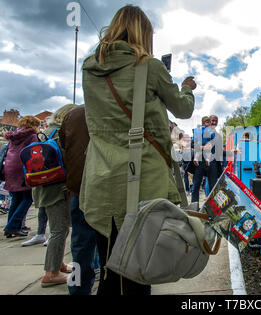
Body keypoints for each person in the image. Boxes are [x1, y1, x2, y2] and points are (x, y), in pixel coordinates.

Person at [80, 5, 196, 295]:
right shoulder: (149, 66)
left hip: (100, 181)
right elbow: (183, 109)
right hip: (141, 181)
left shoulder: (89, 69)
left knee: (109, 270)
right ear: (144, 33)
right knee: (139, 272)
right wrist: (187, 87)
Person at [33, 104, 77, 287]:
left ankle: (57, 264)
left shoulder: (47, 132)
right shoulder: (62, 133)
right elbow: (69, 159)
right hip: (57, 188)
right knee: (60, 229)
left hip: (43, 186)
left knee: (58, 228)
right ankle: (51, 273)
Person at [59, 105, 100, 295]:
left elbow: (63, 145)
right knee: (112, 246)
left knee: (79, 247)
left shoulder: (72, 115)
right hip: (104, 189)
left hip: (79, 189)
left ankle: (76, 290)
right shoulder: (116, 108)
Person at [3, 116, 40, 238]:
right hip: (22, 169)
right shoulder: (31, 136)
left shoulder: (14, 135)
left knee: (16, 198)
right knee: (27, 198)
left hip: (9, 167)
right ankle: (12, 226)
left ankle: (12, 226)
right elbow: (34, 153)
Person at [191, 116, 218, 203]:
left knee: (213, 186)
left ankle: (212, 208)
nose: (213, 123)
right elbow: (192, 144)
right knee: (196, 185)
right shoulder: (199, 131)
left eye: (215, 121)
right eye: (211, 121)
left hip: (212, 162)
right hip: (199, 162)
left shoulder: (215, 134)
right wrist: (202, 147)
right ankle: (194, 206)